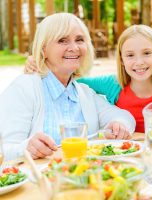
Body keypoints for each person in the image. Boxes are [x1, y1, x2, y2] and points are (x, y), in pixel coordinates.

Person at [0, 13, 135, 160]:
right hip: (41, 180)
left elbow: (125, 117)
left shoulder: (84, 92)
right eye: (62, 40)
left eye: (79, 40)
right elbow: (6, 150)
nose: (74, 47)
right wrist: (26, 148)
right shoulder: (24, 88)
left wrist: (119, 124)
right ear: (43, 50)